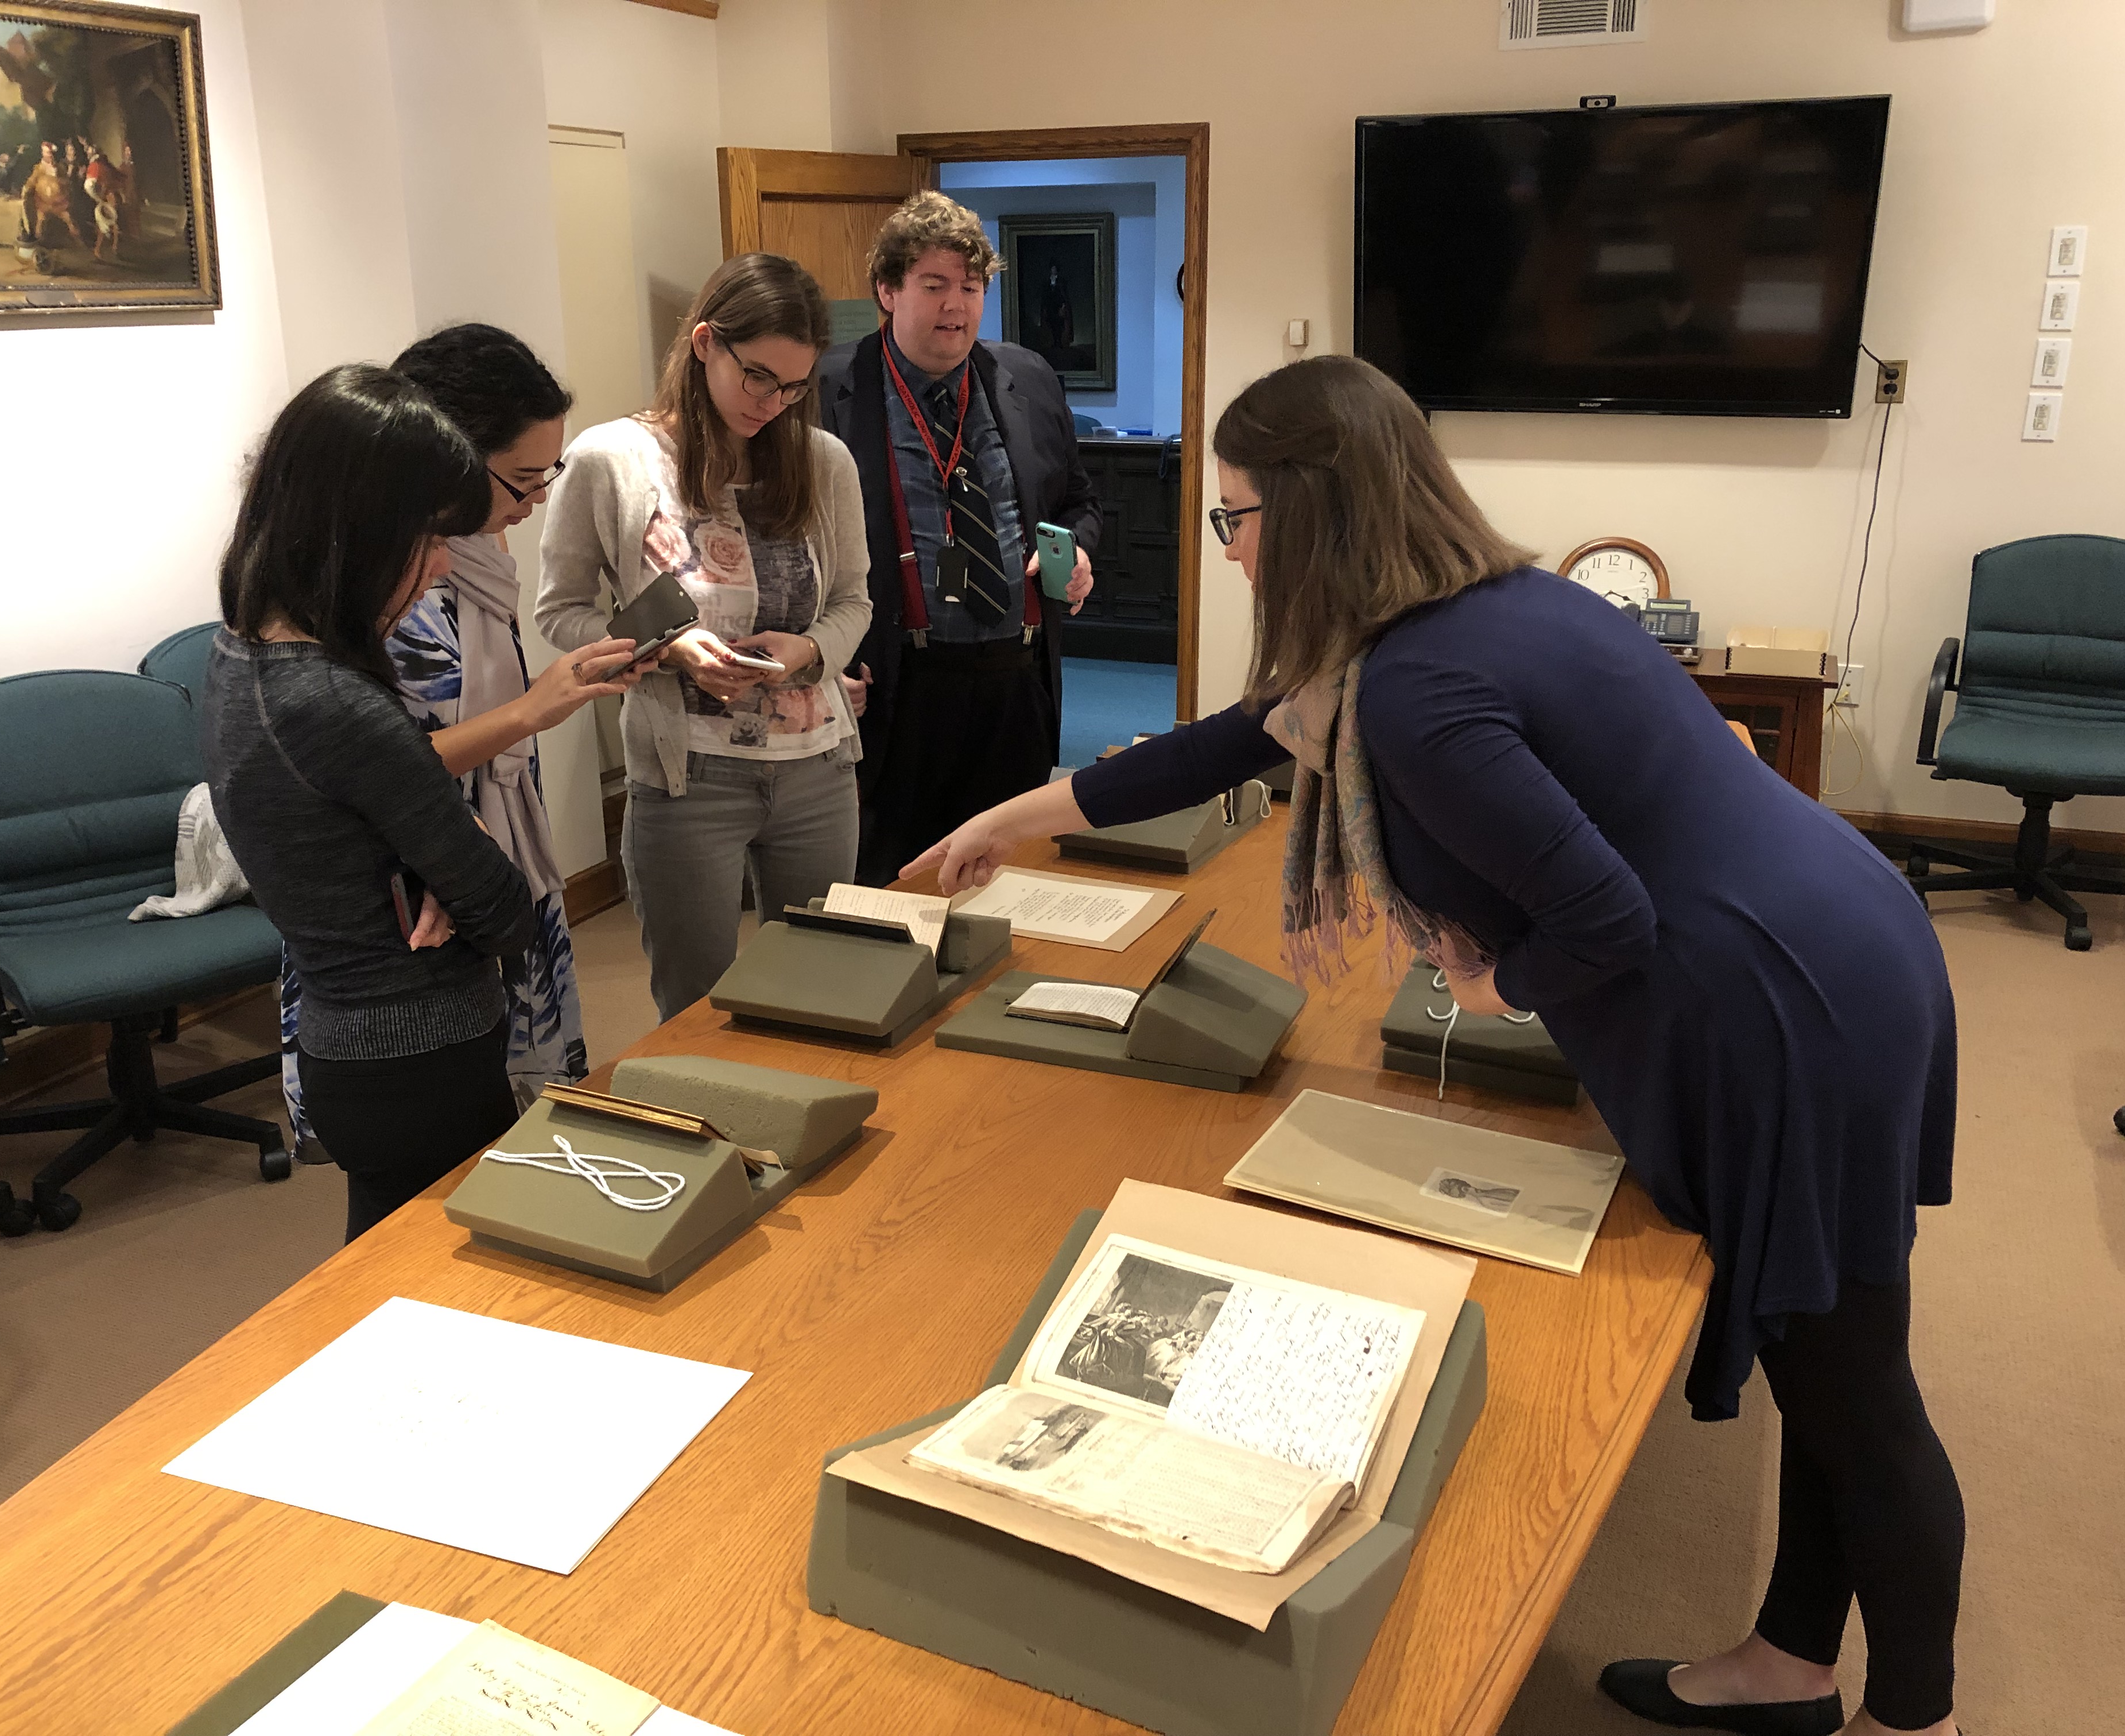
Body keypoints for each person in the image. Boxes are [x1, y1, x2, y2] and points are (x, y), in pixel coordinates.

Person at [910, 354, 1965, 1736]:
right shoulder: (1482, 606)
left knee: (1855, 1385)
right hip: (1836, 934)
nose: (1226, 548)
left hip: (1775, 1001)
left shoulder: (1413, 686)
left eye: (1234, 518)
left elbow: (1602, 915)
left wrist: (1498, 981)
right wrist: (1010, 820)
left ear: (1310, 513)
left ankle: (1919, 1720)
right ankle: (1795, 1658)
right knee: (1827, 1343)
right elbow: (1233, 740)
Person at [205, 365, 561, 1242]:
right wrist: (456, 845)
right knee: (444, 1281)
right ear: (358, 531)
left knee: (389, 1269)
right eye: (429, 536)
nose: (443, 561)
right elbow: (506, 909)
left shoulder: (237, 652)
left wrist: (435, 846)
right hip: (418, 1052)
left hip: (349, 1044)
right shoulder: (335, 702)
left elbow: (376, 826)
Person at [274, 325, 642, 1158]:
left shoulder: (467, 560)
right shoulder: (385, 586)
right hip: (414, 899)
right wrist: (529, 712)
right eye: (522, 479)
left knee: (502, 1136)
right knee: (435, 1161)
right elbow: (368, 770)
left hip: (482, 851)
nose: (539, 497)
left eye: (548, 473)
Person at [538, 253, 873, 1022]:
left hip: (817, 767)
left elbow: (854, 602)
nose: (775, 402)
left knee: (820, 995)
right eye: (758, 376)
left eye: (795, 386)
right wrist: (668, 648)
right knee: (697, 1012)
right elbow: (560, 612)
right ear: (703, 345)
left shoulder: (824, 462)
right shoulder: (612, 459)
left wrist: (812, 651)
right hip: (687, 779)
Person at [815, 190, 1103, 884]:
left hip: (1017, 683)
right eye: (934, 285)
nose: (957, 306)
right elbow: (793, 544)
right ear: (887, 290)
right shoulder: (827, 389)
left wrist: (1079, 548)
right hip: (900, 686)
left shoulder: (1027, 378)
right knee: (902, 885)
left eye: (971, 288)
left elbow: (1080, 501)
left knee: (1012, 884)